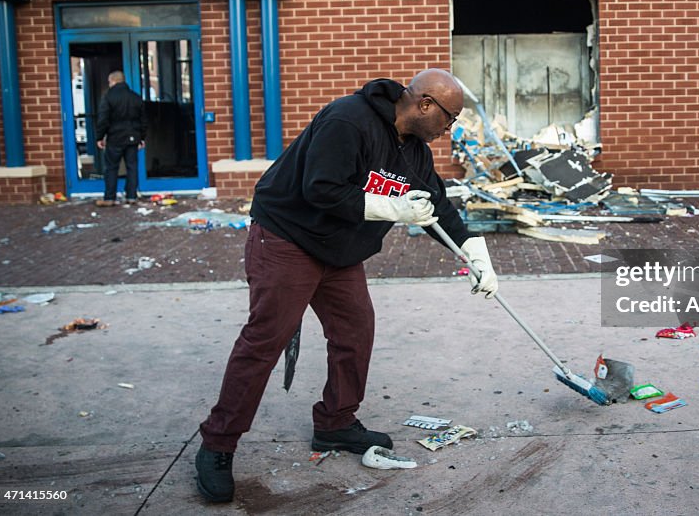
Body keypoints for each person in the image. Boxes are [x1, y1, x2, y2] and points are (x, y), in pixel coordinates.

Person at [195, 69, 499, 503]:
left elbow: (435, 207)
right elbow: (320, 189)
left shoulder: (413, 152)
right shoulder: (348, 120)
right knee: (265, 340)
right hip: (288, 237)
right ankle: (217, 444)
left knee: (355, 330)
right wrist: (392, 206)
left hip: (337, 252)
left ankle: (335, 423)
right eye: (449, 119)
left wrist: (473, 252)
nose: (449, 130)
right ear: (426, 104)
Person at [94, 70, 146, 206]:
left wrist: (100, 136)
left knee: (111, 167)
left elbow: (103, 118)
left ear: (113, 81)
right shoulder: (135, 97)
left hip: (115, 138)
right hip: (132, 137)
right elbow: (143, 120)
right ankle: (131, 196)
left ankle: (109, 197)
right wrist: (142, 138)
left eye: (109, 82)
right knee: (132, 167)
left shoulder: (108, 97)